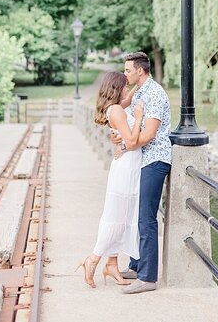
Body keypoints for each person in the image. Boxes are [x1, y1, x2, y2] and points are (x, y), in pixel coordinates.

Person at [75, 71, 144, 288]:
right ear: (117, 87)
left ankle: (112, 264)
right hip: (126, 167)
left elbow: (129, 99)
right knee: (116, 217)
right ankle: (93, 260)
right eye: (124, 85)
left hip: (128, 166)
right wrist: (140, 116)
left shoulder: (115, 107)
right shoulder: (115, 111)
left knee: (122, 216)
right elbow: (132, 139)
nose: (127, 88)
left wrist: (142, 79)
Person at [111, 51, 172, 294]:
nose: (125, 74)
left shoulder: (155, 94)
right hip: (141, 160)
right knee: (137, 214)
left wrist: (124, 146)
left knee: (147, 218)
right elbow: (121, 116)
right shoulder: (140, 91)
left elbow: (149, 136)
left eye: (127, 70)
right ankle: (137, 266)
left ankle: (148, 278)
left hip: (155, 161)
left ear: (140, 70)